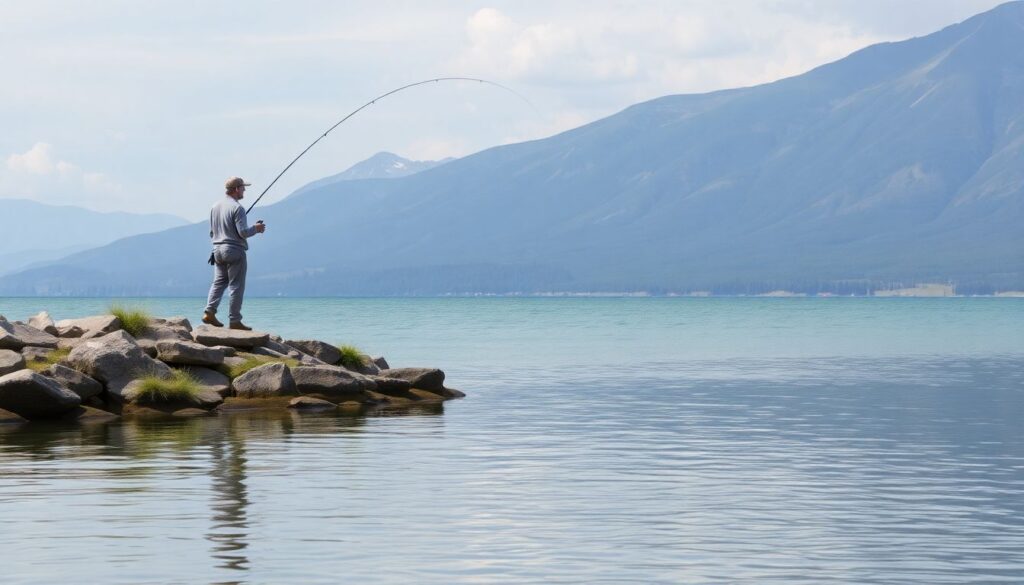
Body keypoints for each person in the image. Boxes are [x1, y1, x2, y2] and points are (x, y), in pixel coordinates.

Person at [202, 176, 267, 330]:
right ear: (236, 189)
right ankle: (235, 321)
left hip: (217, 250)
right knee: (236, 286)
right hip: (234, 250)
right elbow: (243, 232)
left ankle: (209, 312)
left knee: (218, 283)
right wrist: (256, 229)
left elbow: (212, 233)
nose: (244, 190)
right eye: (243, 187)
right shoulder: (238, 208)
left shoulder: (215, 206)